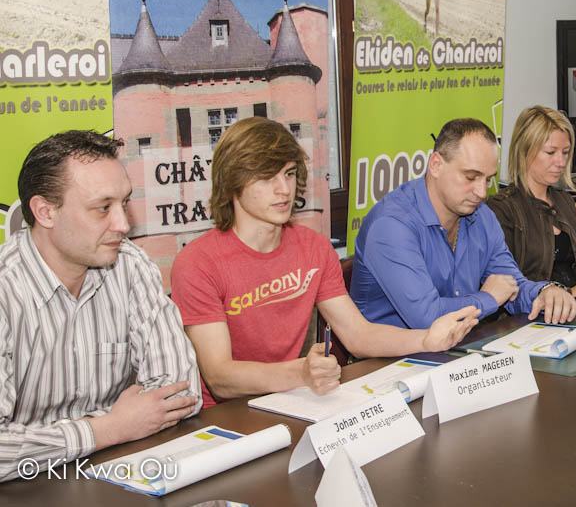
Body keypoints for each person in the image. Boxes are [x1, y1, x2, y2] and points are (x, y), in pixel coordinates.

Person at [171, 117, 478, 408]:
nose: (284, 189)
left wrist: (427, 339)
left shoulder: (313, 247)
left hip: (293, 400)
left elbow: (358, 335)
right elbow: (220, 377)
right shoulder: (197, 263)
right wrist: (301, 373)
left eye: (289, 174)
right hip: (226, 416)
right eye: (267, 177)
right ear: (232, 183)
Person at [0, 131, 201, 483]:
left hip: (114, 472)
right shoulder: (6, 290)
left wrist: (44, 439)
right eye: (102, 208)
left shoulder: (130, 264)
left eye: (124, 203)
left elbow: (182, 392)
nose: (123, 224)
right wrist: (108, 428)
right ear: (45, 211)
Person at [350, 118, 576, 329]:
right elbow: (426, 318)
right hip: (389, 363)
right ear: (436, 165)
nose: (481, 192)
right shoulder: (392, 226)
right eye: (470, 177)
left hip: (457, 351)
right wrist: (488, 299)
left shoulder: (481, 215)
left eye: (488, 180)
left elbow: (510, 285)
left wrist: (544, 292)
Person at [487, 106, 576, 297]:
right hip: (533, 317)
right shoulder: (502, 209)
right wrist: (570, 293)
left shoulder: (564, 201)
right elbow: (507, 286)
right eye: (551, 152)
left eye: (565, 152)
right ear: (525, 151)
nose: (561, 162)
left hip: (575, 306)